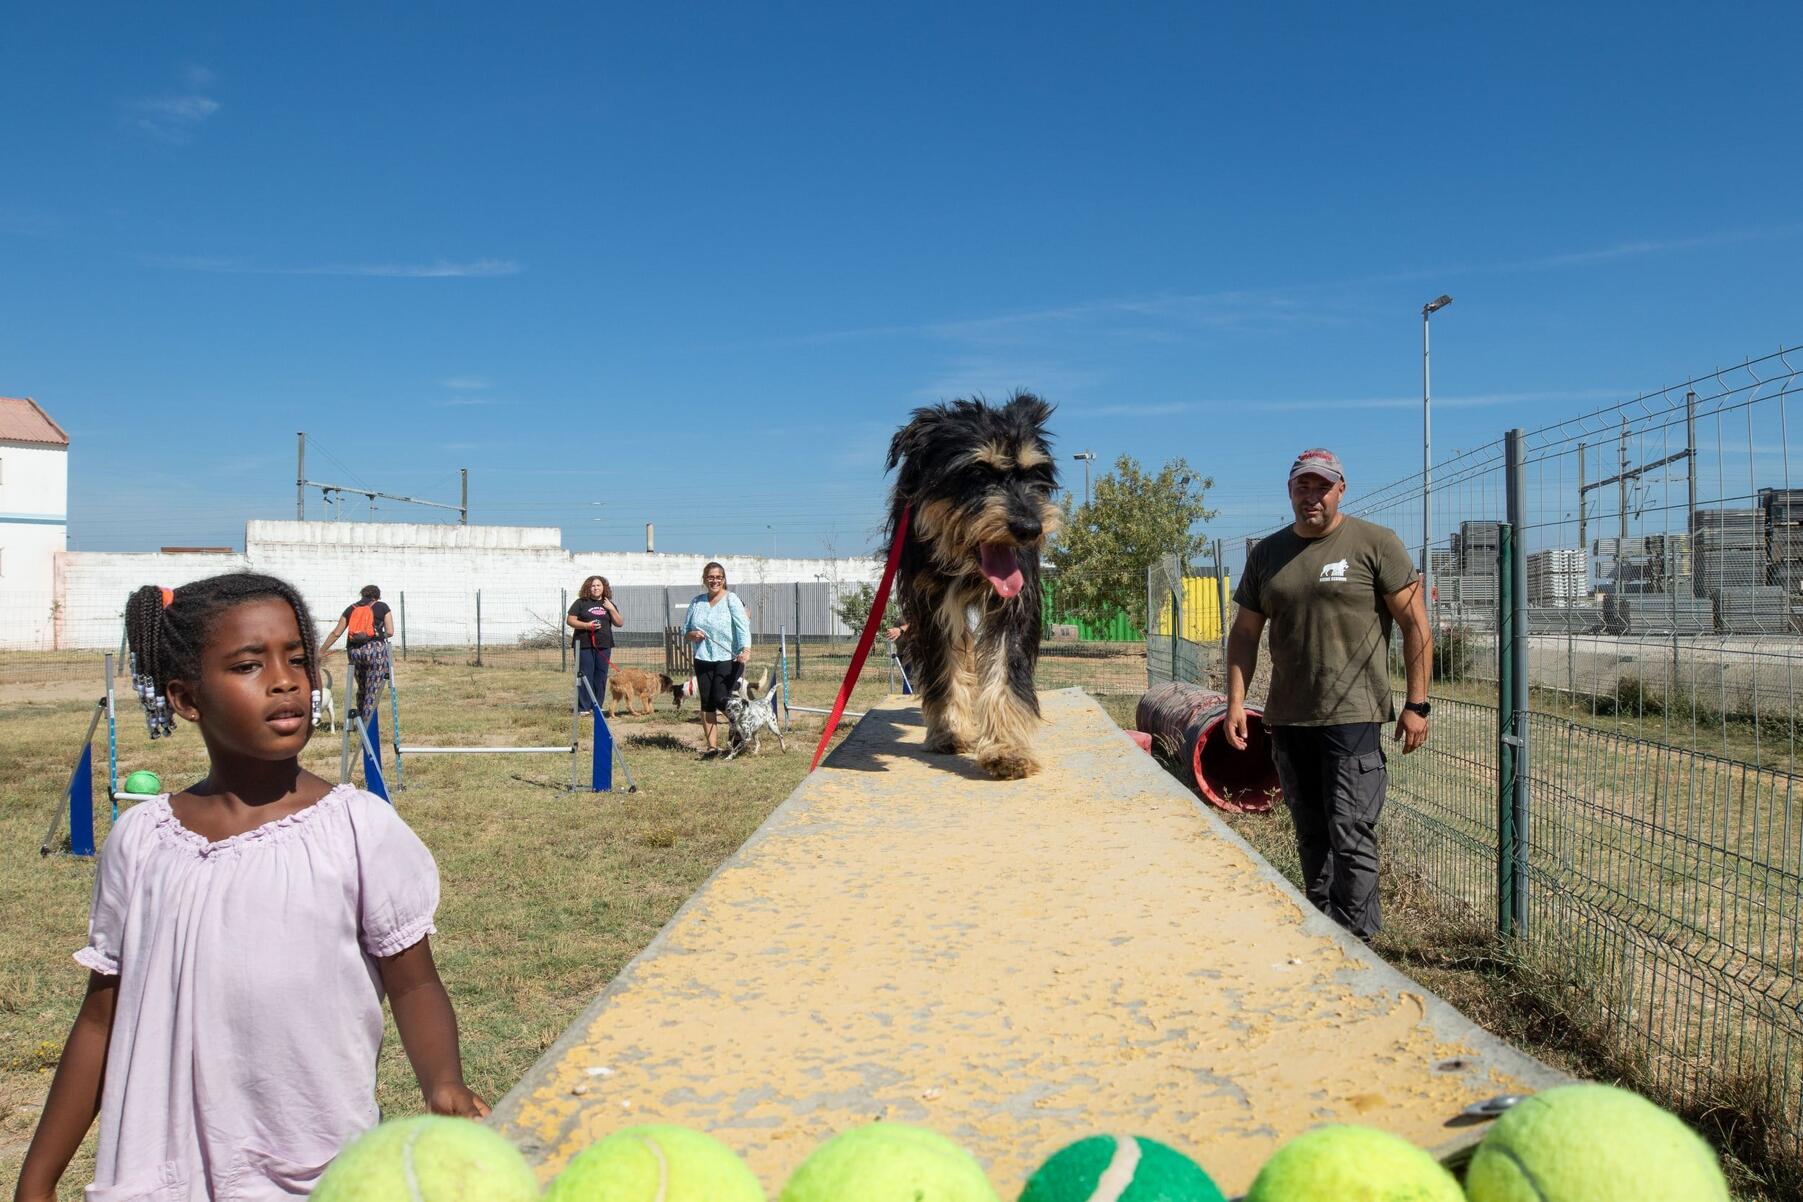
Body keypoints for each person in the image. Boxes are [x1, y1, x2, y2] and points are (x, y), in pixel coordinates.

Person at [14, 573, 486, 1202]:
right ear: (186, 699)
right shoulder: (143, 840)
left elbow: (415, 981)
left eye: (297, 657)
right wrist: (37, 1179)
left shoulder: (356, 828)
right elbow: (101, 1018)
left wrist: (444, 1082)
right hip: (156, 1177)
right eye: (247, 664)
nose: (287, 678)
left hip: (309, 1173)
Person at [1223, 448, 1433, 943]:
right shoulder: (1268, 555)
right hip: (1290, 718)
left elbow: (1414, 624)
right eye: (1303, 486)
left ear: (1341, 489)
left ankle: (1359, 945)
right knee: (1311, 831)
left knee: (1351, 831)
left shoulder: (1374, 543)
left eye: (1322, 486)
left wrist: (1416, 703)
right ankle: (1322, 933)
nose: (1312, 495)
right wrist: (1235, 700)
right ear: (1290, 491)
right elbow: (1245, 634)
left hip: (1353, 715)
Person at [682, 561, 750, 758]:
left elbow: (743, 627)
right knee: (707, 702)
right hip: (703, 657)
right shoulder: (697, 602)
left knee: (721, 698)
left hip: (729, 657)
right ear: (704, 579)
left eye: (718, 577)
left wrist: (746, 649)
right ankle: (712, 748)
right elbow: (685, 630)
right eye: (711, 577)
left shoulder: (731, 599)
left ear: (724, 579)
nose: (714, 580)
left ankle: (741, 727)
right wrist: (692, 634)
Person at [319, 583, 395, 719]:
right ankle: (367, 725)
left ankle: (359, 720)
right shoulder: (382, 607)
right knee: (373, 689)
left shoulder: (351, 609)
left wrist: (321, 651)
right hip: (375, 651)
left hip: (354, 651)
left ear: (362, 595)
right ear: (377, 596)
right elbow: (390, 632)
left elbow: (336, 633)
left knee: (362, 687)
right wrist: (375, 634)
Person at [567, 574, 625, 712]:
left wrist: (611, 608)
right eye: (593, 585)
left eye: (598, 585)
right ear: (588, 587)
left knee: (601, 675)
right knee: (585, 675)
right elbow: (570, 620)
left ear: (603, 587)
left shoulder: (608, 603)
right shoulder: (581, 602)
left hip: (603, 645)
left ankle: (597, 706)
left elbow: (619, 623)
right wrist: (587, 626)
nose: (596, 588)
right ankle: (583, 707)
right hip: (584, 644)